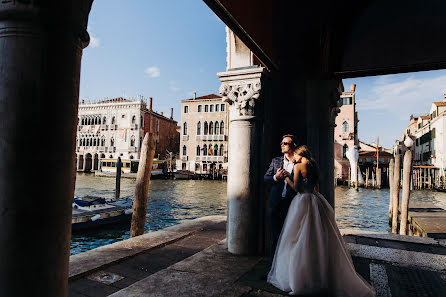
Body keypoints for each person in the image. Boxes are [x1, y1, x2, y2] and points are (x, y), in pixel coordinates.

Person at [267, 145, 376, 297]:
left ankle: (300, 278)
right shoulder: (314, 166)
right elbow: (317, 185)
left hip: (302, 201)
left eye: (296, 155)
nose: (294, 158)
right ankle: (322, 274)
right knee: (318, 236)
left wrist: (286, 177)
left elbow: (297, 188)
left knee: (298, 237)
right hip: (316, 199)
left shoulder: (299, 166)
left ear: (300, 154)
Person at [264, 134, 298, 265]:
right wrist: (275, 177)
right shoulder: (276, 161)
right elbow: (265, 179)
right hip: (275, 203)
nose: (282, 145)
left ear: (293, 145)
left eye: (286, 143)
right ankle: (273, 267)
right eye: (282, 143)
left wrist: (288, 176)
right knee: (274, 236)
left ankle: (288, 266)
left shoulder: (300, 162)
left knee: (291, 236)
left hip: (292, 204)